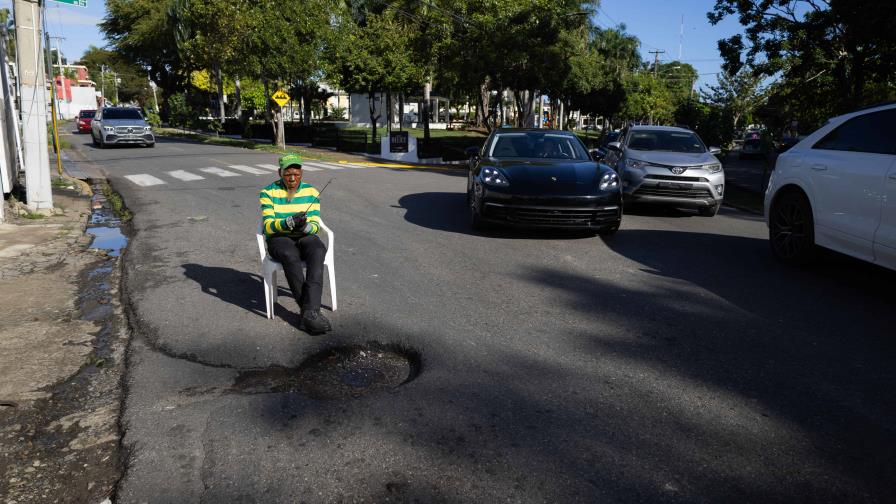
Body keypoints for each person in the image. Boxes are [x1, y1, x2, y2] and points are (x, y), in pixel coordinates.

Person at [259, 153, 331, 334]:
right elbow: (268, 227)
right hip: (279, 237)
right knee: (289, 254)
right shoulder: (268, 193)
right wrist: (287, 222)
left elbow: (315, 226)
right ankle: (311, 312)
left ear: (302, 173)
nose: (292, 178)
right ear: (279, 172)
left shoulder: (312, 193)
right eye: (287, 174)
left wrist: (305, 225)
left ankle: (308, 313)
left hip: (303, 235)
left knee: (318, 250)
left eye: (297, 174)